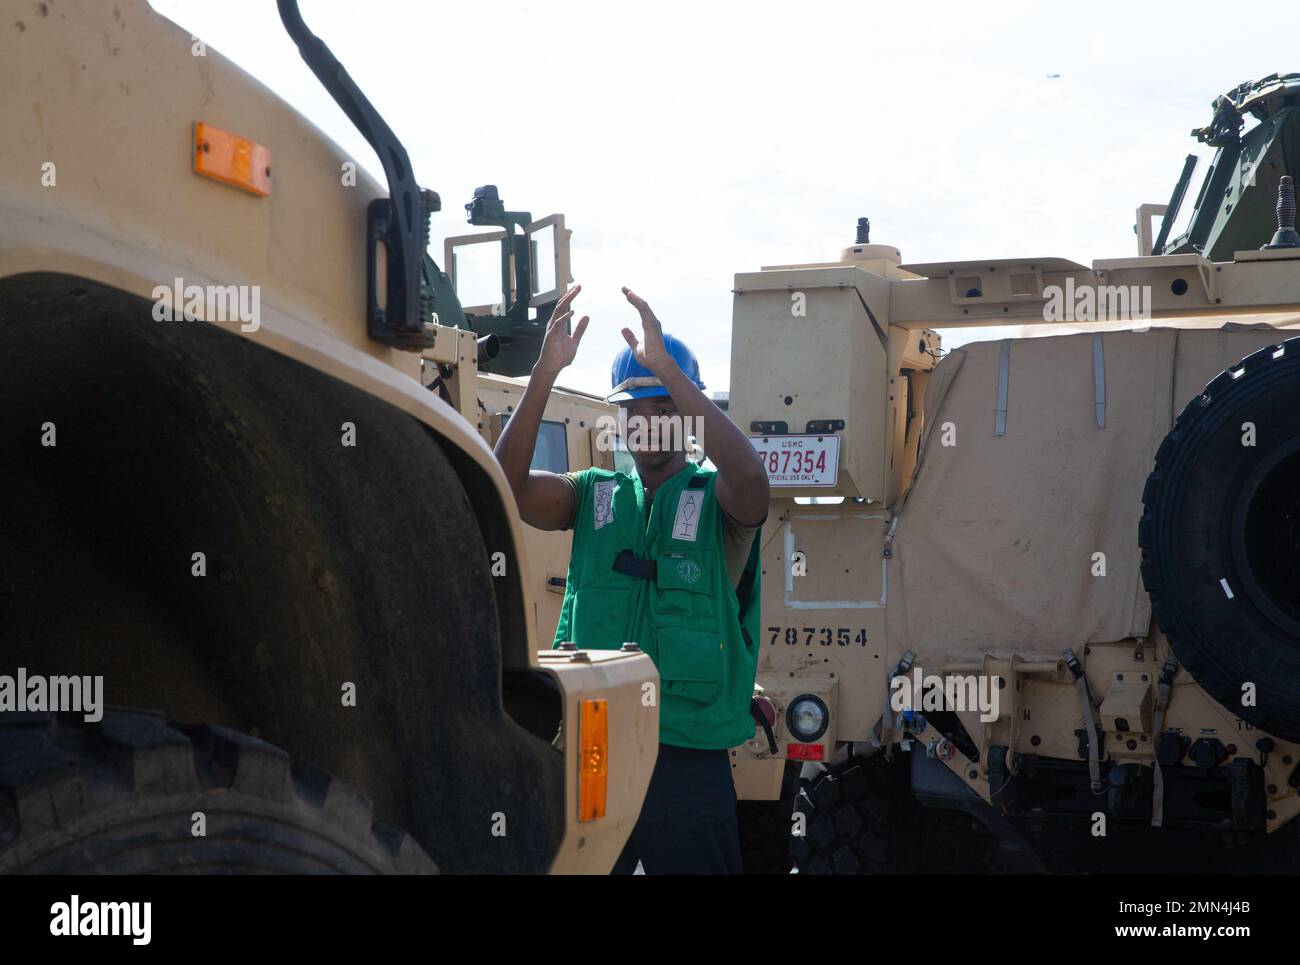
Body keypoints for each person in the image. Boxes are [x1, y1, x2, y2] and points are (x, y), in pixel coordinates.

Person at [493, 283, 770, 874]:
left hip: (687, 758)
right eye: (634, 407)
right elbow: (508, 486)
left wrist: (669, 373)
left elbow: (751, 480)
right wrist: (544, 371)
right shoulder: (592, 493)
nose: (647, 419)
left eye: (663, 405)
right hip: (592, 751)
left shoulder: (717, 502)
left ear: (688, 413)